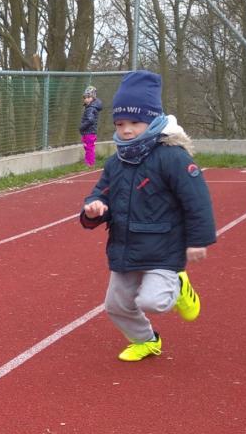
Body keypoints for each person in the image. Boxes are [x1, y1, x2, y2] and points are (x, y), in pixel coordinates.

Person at [80, 70, 216, 362]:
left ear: (153, 121)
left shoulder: (173, 157)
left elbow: (197, 201)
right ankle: (146, 340)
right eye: (120, 124)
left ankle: (179, 285)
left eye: (135, 123)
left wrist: (198, 240)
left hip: (164, 249)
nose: (127, 130)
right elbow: (100, 193)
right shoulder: (116, 162)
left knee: (153, 301)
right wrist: (93, 208)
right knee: (116, 306)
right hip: (125, 247)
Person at [79, 85, 104, 167]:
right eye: (85, 97)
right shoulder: (90, 107)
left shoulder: (91, 108)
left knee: (89, 148)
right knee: (88, 148)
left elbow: (90, 120)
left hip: (89, 132)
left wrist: (82, 127)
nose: (86, 99)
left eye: (88, 97)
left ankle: (90, 163)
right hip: (89, 131)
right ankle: (89, 162)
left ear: (93, 98)